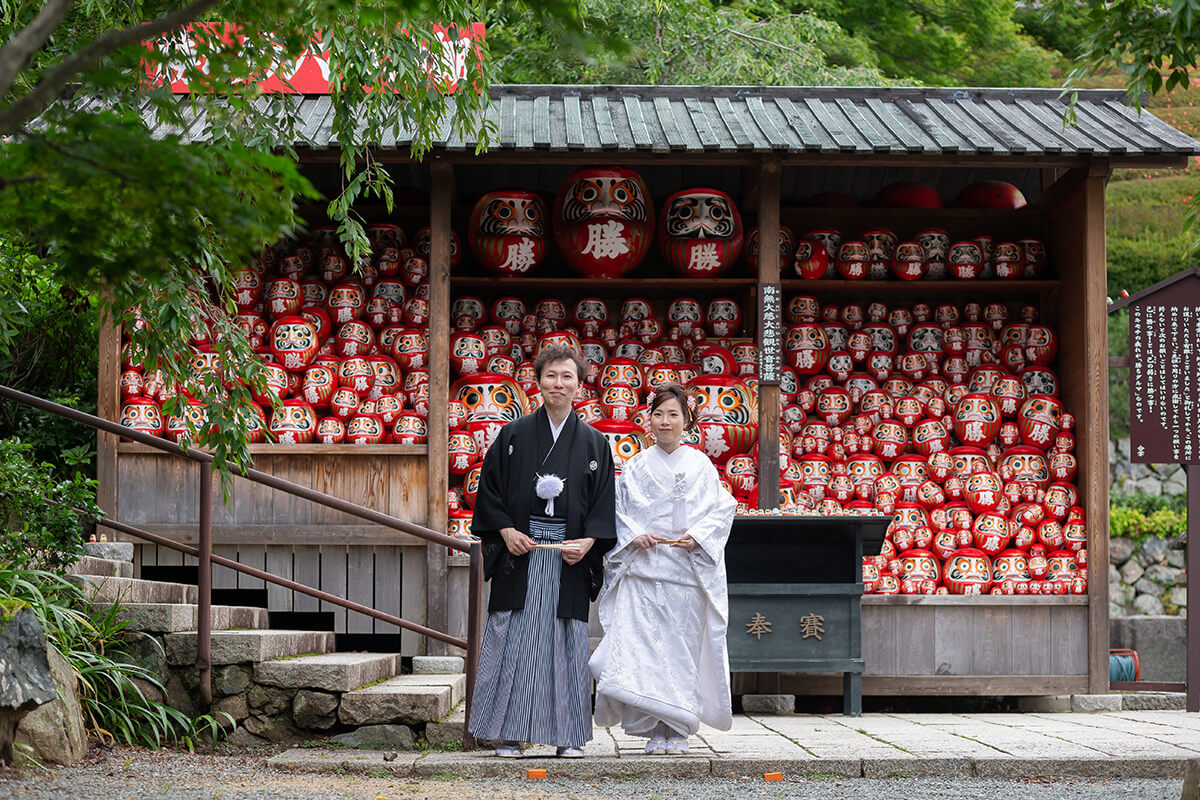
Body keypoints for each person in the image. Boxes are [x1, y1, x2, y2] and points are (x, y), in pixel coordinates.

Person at [468, 344, 617, 758]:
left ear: (579, 384)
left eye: (566, 376)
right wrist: (506, 530)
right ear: (538, 381)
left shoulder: (593, 443)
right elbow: (490, 490)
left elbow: (604, 502)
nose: (558, 383)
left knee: (565, 643)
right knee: (513, 638)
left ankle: (567, 736)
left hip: (568, 557)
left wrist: (588, 543)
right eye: (551, 375)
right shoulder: (513, 435)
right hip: (521, 551)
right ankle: (509, 734)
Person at [590, 382, 736, 755]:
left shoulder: (701, 465)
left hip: (685, 573)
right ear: (649, 420)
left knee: (680, 651)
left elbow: (723, 509)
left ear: (688, 421)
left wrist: (700, 536)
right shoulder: (636, 465)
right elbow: (619, 512)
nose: (666, 421)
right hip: (644, 571)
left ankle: (679, 726)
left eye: (674, 414)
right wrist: (635, 534)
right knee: (646, 652)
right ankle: (654, 727)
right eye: (659, 414)